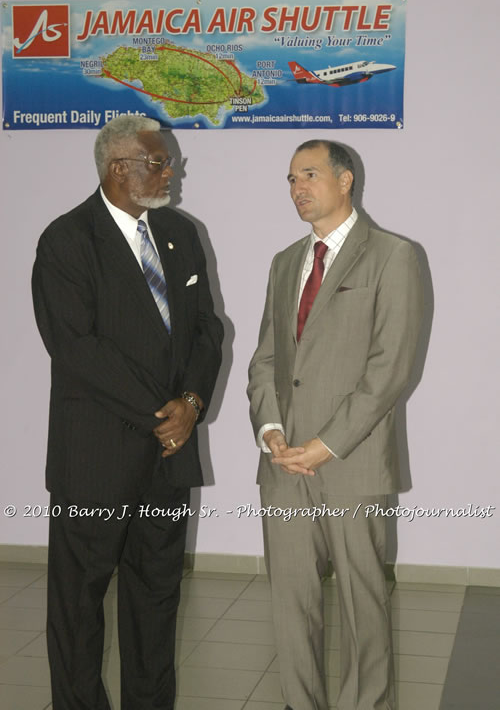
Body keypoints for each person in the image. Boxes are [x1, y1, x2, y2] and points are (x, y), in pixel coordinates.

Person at [32, 114, 223, 710]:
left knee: (156, 601)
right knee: (78, 608)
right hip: (96, 459)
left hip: (168, 458)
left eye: (168, 161)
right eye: (160, 161)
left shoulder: (180, 233)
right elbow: (77, 347)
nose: (172, 170)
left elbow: (207, 329)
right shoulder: (66, 240)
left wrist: (190, 404)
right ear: (119, 167)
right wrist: (159, 412)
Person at [247, 140, 423, 710]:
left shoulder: (393, 256)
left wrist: (327, 445)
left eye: (310, 174)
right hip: (283, 466)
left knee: (362, 608)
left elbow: (390, 369)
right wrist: (270, 427)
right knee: (291, 610)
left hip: (353, 463)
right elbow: (266, 360)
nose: (298, 187)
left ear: (345, 181)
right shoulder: (283, 263)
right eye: (291, 179)